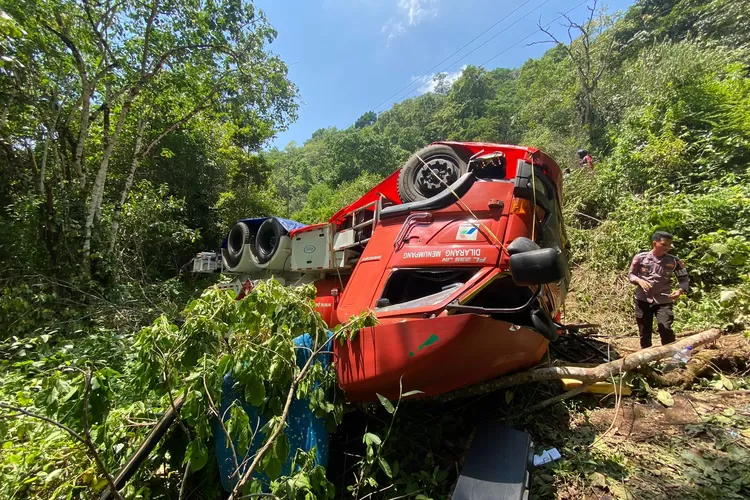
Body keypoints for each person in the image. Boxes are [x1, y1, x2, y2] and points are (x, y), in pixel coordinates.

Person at [628, 231, 690, 349]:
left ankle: (671, 357)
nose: (667, 248)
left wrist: (680, 291)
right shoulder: (640, 258)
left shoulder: (674, 261)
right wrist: (639, 281)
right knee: (644, 332)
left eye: (669, 245)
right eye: (664, 244)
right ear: (655, 243)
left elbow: (683, 278)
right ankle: (645, 359)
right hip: (643, 299)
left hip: (664, 300)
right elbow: (631, 275)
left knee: (665, 329)